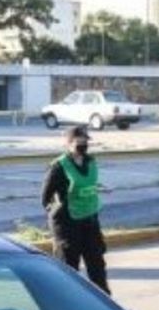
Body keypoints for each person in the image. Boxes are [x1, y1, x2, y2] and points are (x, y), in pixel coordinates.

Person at [41, 125, 110, 293]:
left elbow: (90, 186)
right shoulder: (59, 166)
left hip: (90, 220)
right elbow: (46, 197)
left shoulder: (90, 162)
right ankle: (68, 304)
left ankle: (105, 302)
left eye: (86, 141)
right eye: (79, 142)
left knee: (97, 264)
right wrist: (60, 212)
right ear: (69, 144)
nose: (83, 145)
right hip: (67, 223)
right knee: (69, 268)